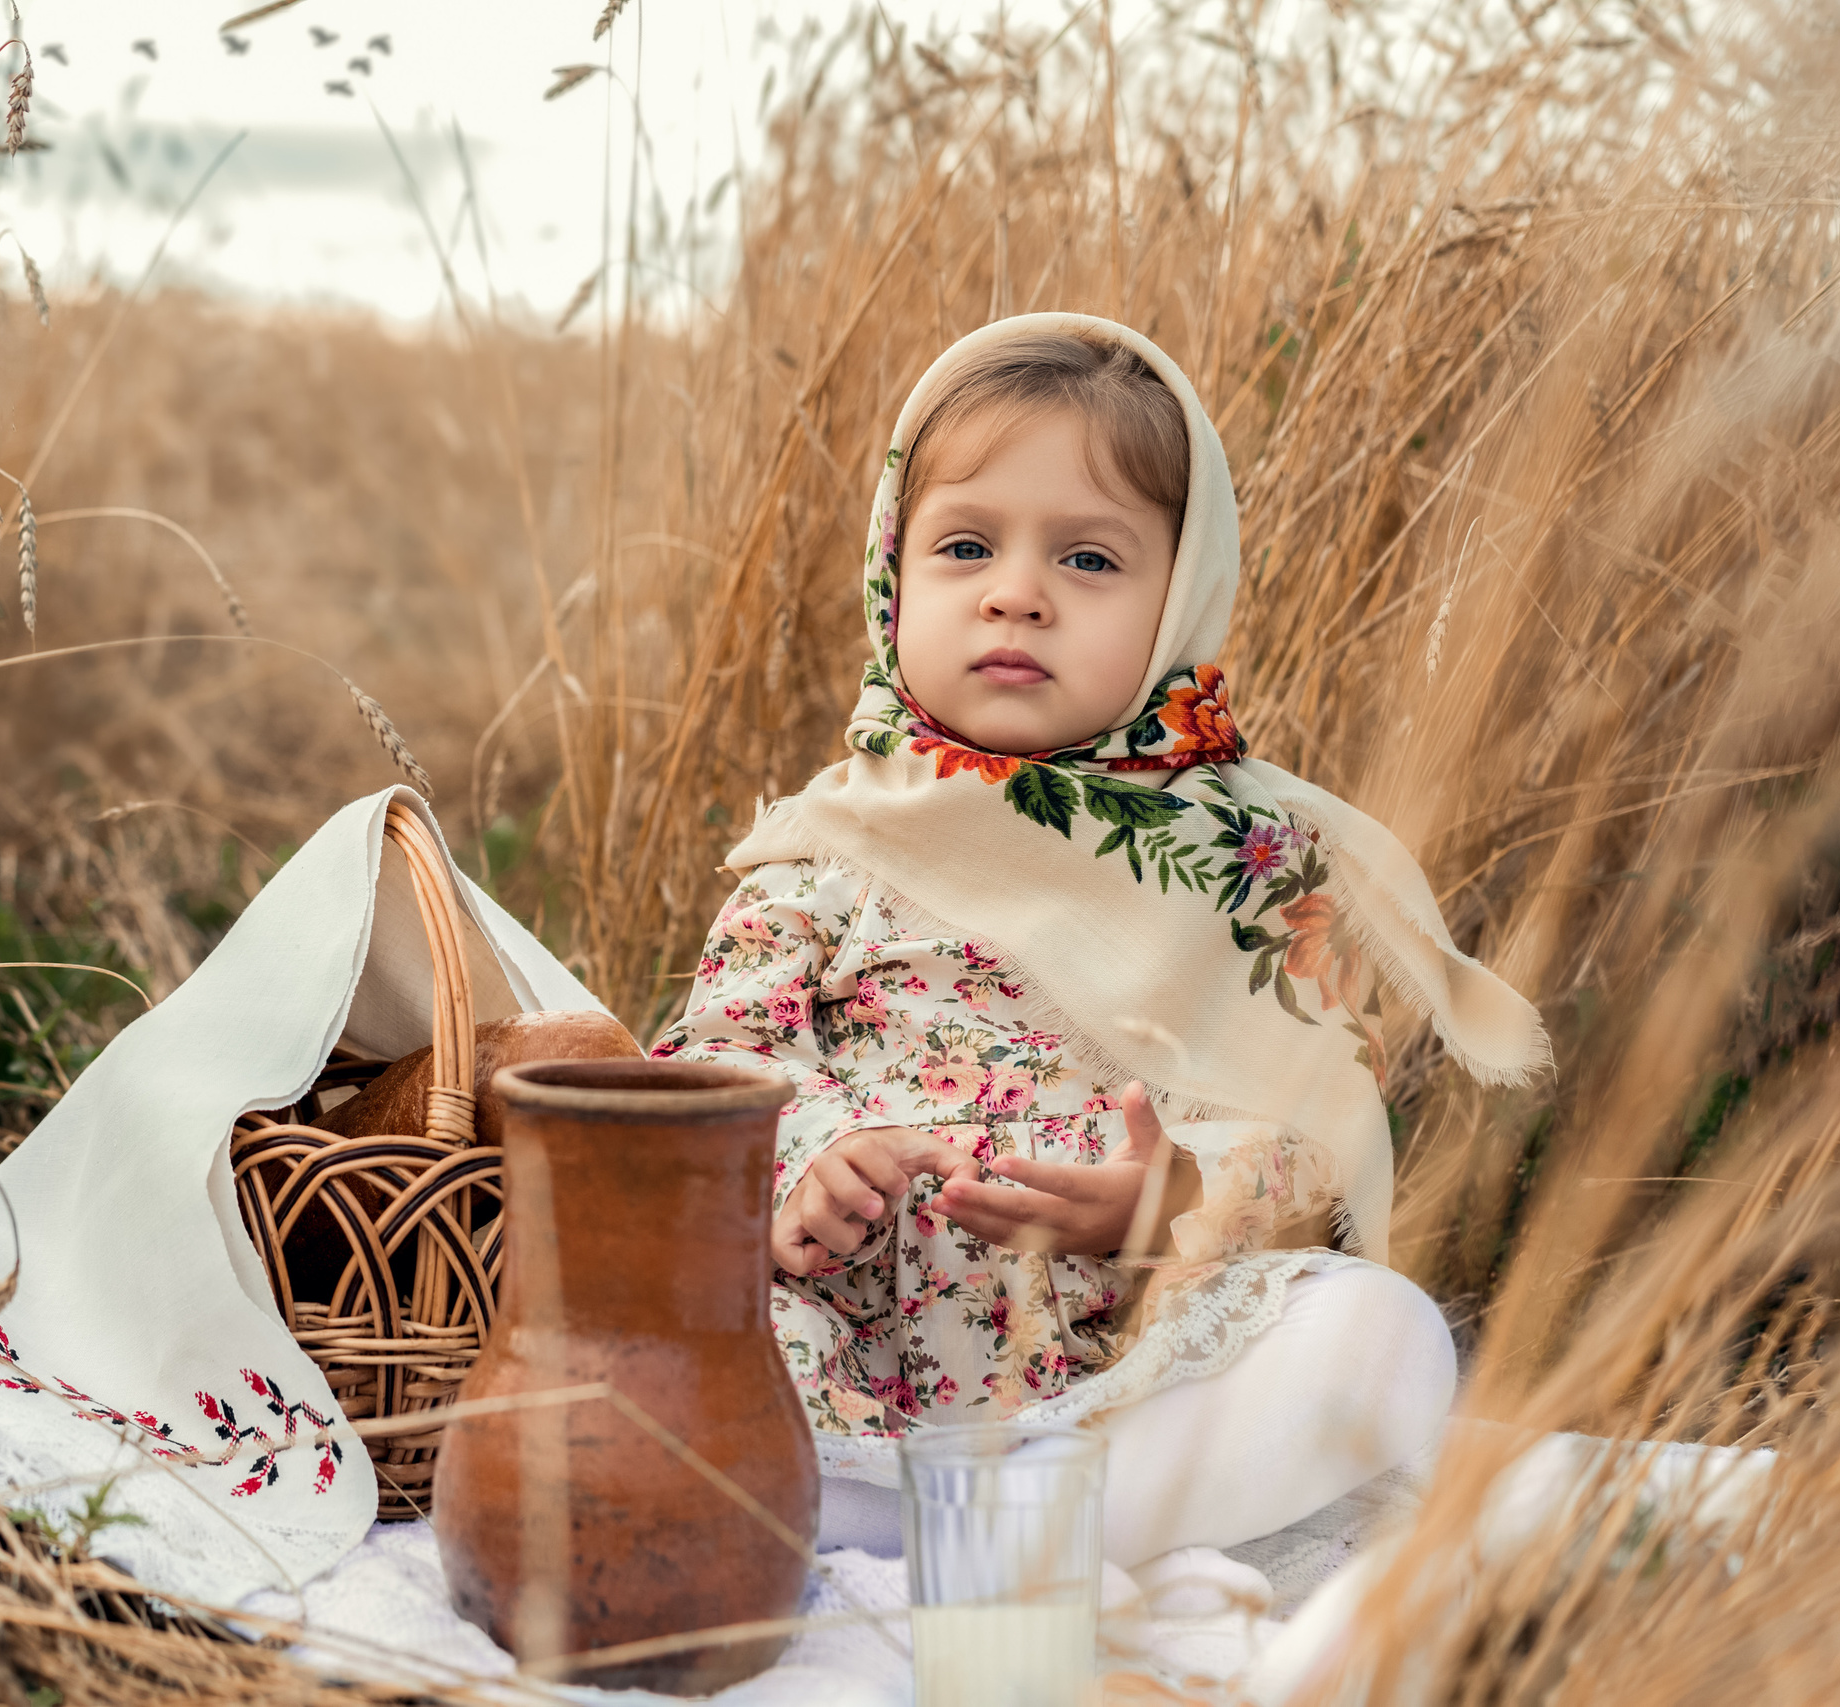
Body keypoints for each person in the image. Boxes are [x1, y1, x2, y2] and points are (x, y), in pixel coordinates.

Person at [650, 313, 1549, 1567]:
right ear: (893, 577)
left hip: (1118, 1360)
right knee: (649, 1339)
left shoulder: (1239, 863)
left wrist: (1179, 1194)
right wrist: (810, 1156)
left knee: (1380, 1336)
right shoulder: (824, 849)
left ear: (1180, 598)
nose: (1017, 591)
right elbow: (713, 1058)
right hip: (846, 1341)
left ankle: (1026, 1532)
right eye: (966, 546)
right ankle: (890, 1517)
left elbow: (1308, 1112)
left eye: (1088, 560)